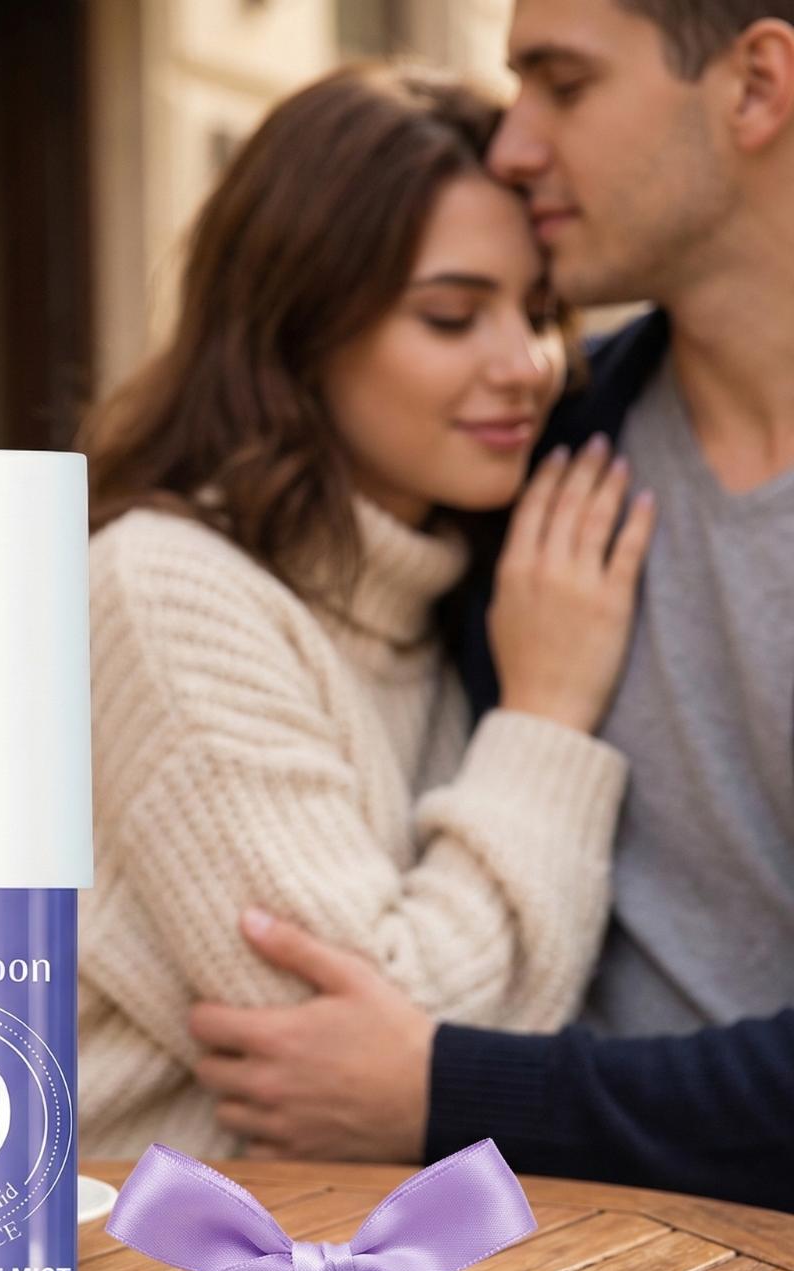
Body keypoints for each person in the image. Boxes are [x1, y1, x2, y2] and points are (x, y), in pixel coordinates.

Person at [188, 0, 794, 1213]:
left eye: (562, 85)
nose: (513, 146)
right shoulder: (525, 464)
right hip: (552, 1269)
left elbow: (414, 1063)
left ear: (755, 85)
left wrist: (454, 1091)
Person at [75, 63, 655, 1159]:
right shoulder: (165, 592)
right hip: (112, 1250)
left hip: (358, 1247)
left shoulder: (440, 587)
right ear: (300, 329)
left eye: (541, 311)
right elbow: (381, 1073)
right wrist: (545, 718)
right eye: (451, 316)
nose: (528, 365)